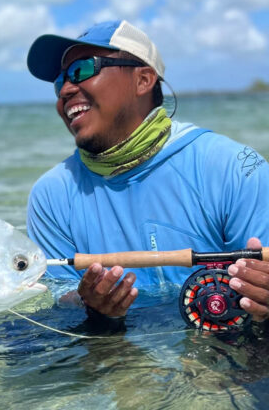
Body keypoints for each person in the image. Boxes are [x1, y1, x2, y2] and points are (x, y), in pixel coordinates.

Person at [25, 20, 269, 325]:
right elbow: (59, 294)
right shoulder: (50, 194)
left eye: (82, 70)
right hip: (116, 352)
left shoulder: (235, 167)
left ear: (143, 80)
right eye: (60, 82)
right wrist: (86, 303)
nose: (66, 90)